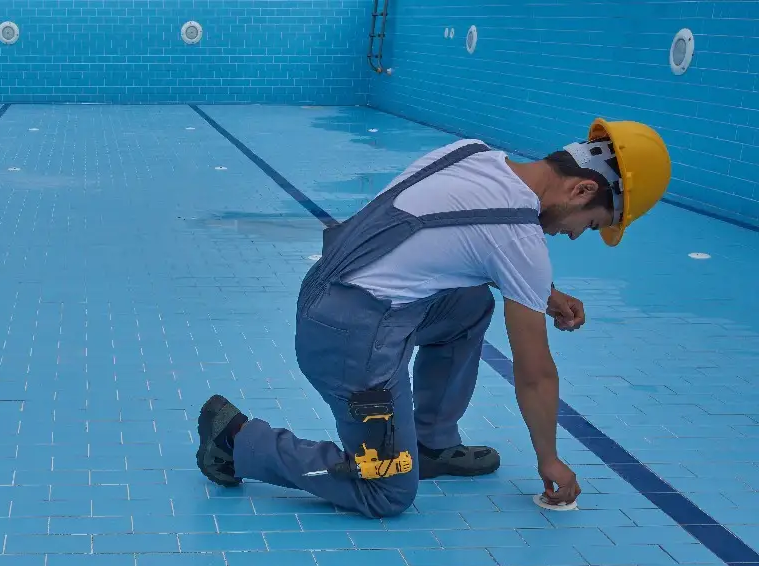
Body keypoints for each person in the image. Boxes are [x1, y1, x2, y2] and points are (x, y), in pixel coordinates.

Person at [195, 119, 671, 518]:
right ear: (583, 189)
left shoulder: (474, 155)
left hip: (334, 295)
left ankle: (430, 444)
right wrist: (549, 458)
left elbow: (441, 239)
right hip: (350, 341)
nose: (576, 235)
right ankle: (236, 440)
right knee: (386, 491)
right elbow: (535, 373)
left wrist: (541, 292)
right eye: (591, 223)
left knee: (470, 305)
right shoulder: (519, 237)